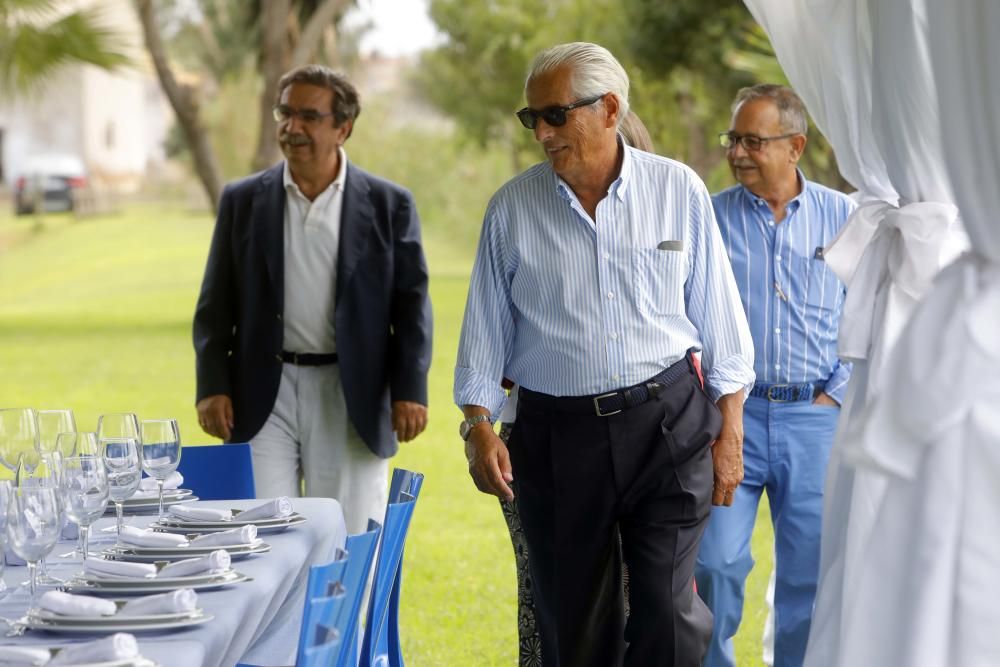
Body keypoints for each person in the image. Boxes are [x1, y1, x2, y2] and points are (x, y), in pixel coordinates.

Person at [455, 42, 755, 666]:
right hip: (558, 438)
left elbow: (721, 323)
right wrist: (479, 426)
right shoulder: (511, 209)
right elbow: (482, 334)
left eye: (556, 115)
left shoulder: (678, 189)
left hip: (666, 423)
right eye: (530, 118)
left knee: (668, 614)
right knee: (575, 626)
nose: (541, 131)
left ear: (611, 108)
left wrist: (730, 431)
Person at [192, 64, 432, 534]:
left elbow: (412, 307)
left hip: (352, 392)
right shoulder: (242, 200)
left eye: (309, 116)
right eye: (285, 113)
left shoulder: (389, 204)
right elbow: (215, 304)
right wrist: (212, 384)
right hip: (263, 393)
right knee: (257, 534)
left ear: (343, 128)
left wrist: (409, 390)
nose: (292, 127)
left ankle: (334, 614)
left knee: (345, 536)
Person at [694, 84, 854, 667]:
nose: (736, 152)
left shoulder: (847, 217)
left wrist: (836, 394)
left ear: (795, 146)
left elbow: (875, 311)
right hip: (730, 418)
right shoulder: (708, 218)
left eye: (752, 141)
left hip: (815, 419)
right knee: (715, 563)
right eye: (733, 138)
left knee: (808, 578)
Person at [497, 110, 655, 665]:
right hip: (538, 435)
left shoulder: (663, 214)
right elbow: (497, 330)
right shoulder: (524, 216)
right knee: (555, 594)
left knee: (647, 597)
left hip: (647, 435)